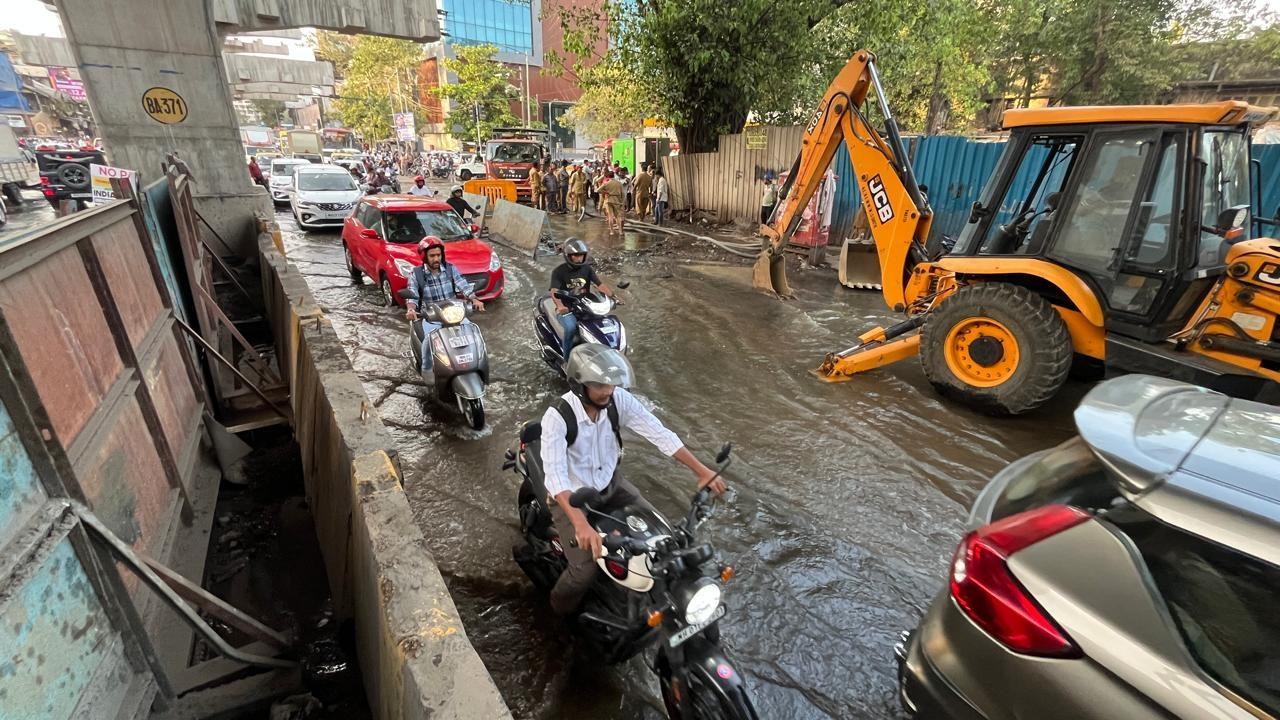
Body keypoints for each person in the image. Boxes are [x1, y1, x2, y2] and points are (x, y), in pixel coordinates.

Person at [540, 344, 726, 616]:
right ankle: (556, 612)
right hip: (571, 499)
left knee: (665, 538)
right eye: (599, 385)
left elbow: (659, 433)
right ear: (579, 384)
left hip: (611, 486)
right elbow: (556, 476)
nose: (608, 390)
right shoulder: (557, 418)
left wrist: (701, 471)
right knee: (583, 571)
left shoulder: (618, 401)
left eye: (610, 384)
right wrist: (580, 524)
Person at [404, 236, 485, 375]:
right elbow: (412, 294)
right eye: (432, 256)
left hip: (453, 313)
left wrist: (474, 299)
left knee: (473, 332)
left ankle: (478, 362)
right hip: (431, 317)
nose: (436, 259)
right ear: (424, 257)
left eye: (439, 255)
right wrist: (411, 309)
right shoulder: (416, 274)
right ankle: (427, 369)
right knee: (429, 341)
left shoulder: (450, 269)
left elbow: (463, 285)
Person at [549, 238, 615, 359]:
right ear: (568, 256)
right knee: (570, 328)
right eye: (576, 255)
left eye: (581, 255)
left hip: (585, 306)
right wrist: (560, 306)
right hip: (567, 308)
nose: (579, 258)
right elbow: (554, 291)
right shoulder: (558, 271)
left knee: (602, 323)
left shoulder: (587, 269)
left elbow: (600, 285)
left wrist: (613, 296)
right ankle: (567, 360)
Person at [599, 170, 624, 235]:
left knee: (610, 216)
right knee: (618, 216)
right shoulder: (619, 183)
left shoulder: (606, 183)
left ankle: (612, 231)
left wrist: (605, 192)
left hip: (609, 200)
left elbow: (598, 190)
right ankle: (620, 231)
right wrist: (622, 202)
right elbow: (623, 193)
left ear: (608, 176)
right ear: (614, 176)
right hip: (617, 200)